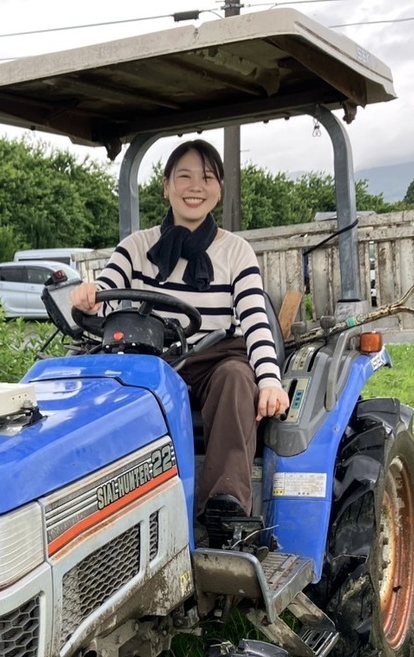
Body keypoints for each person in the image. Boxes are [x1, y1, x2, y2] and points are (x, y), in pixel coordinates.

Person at [71, 139, 289, 548]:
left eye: (206, 178)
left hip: (214, 357)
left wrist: (271, 380)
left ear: (219, 189)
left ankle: (224, 506)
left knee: (236, 377)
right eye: (184, 176)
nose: (195, 187)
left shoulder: (235, 251)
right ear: (166, 186)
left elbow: (255, 320)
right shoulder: (137, 247)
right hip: (153, 362)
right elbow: (105, 291)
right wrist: (89, 295)